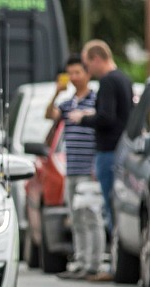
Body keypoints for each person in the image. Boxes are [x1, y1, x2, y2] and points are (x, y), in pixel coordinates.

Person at [45, 54, 110, 282]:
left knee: (92, 216)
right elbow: (49, 115)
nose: (73, 77)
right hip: (70, 168)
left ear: (87, 74)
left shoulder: (95, 100)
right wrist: (56, 91)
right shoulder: (68, 102)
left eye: (77, 73)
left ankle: (95, 262)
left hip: (89, 168)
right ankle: (80, 261)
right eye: (70, 73)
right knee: (76, 217)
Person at [68, 40, 134, 240]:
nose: (88, 71)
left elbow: (107, 117)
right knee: (119, 206)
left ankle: (115, 257)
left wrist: (83, 118)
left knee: (110, 204)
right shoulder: (124, 78)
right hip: (122, 149)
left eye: (87, 65)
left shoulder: (107, 81)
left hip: (108, 152)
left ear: (97, 59)